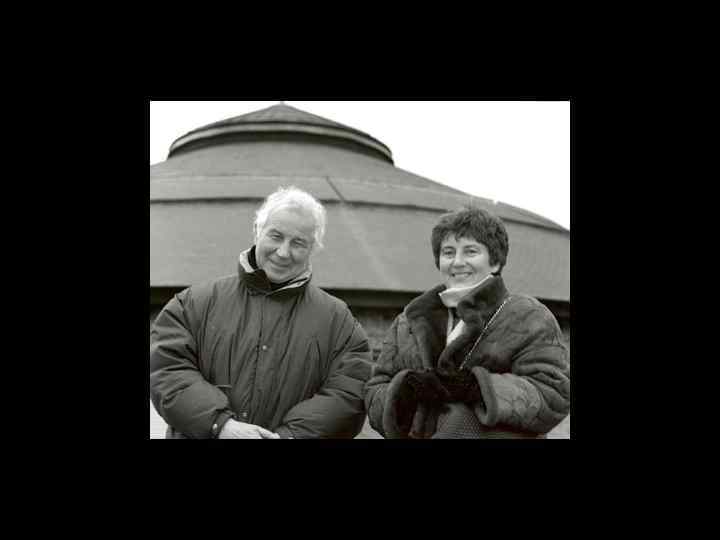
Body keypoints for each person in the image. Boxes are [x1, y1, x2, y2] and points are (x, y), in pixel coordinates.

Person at [150, 186, 373, 439]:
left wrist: (290, 436)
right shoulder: (193, 304)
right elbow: (167, 369)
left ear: (313, 248)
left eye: (298, 243)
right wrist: (220, 425)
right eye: (276, 236)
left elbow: (349, 392)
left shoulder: (339, 322)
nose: (283, 252)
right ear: (257, 230)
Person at [364, 205, 570, 438]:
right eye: (448, 252)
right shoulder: (409, 321)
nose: (457, 262)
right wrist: (404, 390)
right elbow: (374, 391)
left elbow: (553, 394)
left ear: (495, 262)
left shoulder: (529, 316)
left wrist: (477, 387)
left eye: (471, 252)